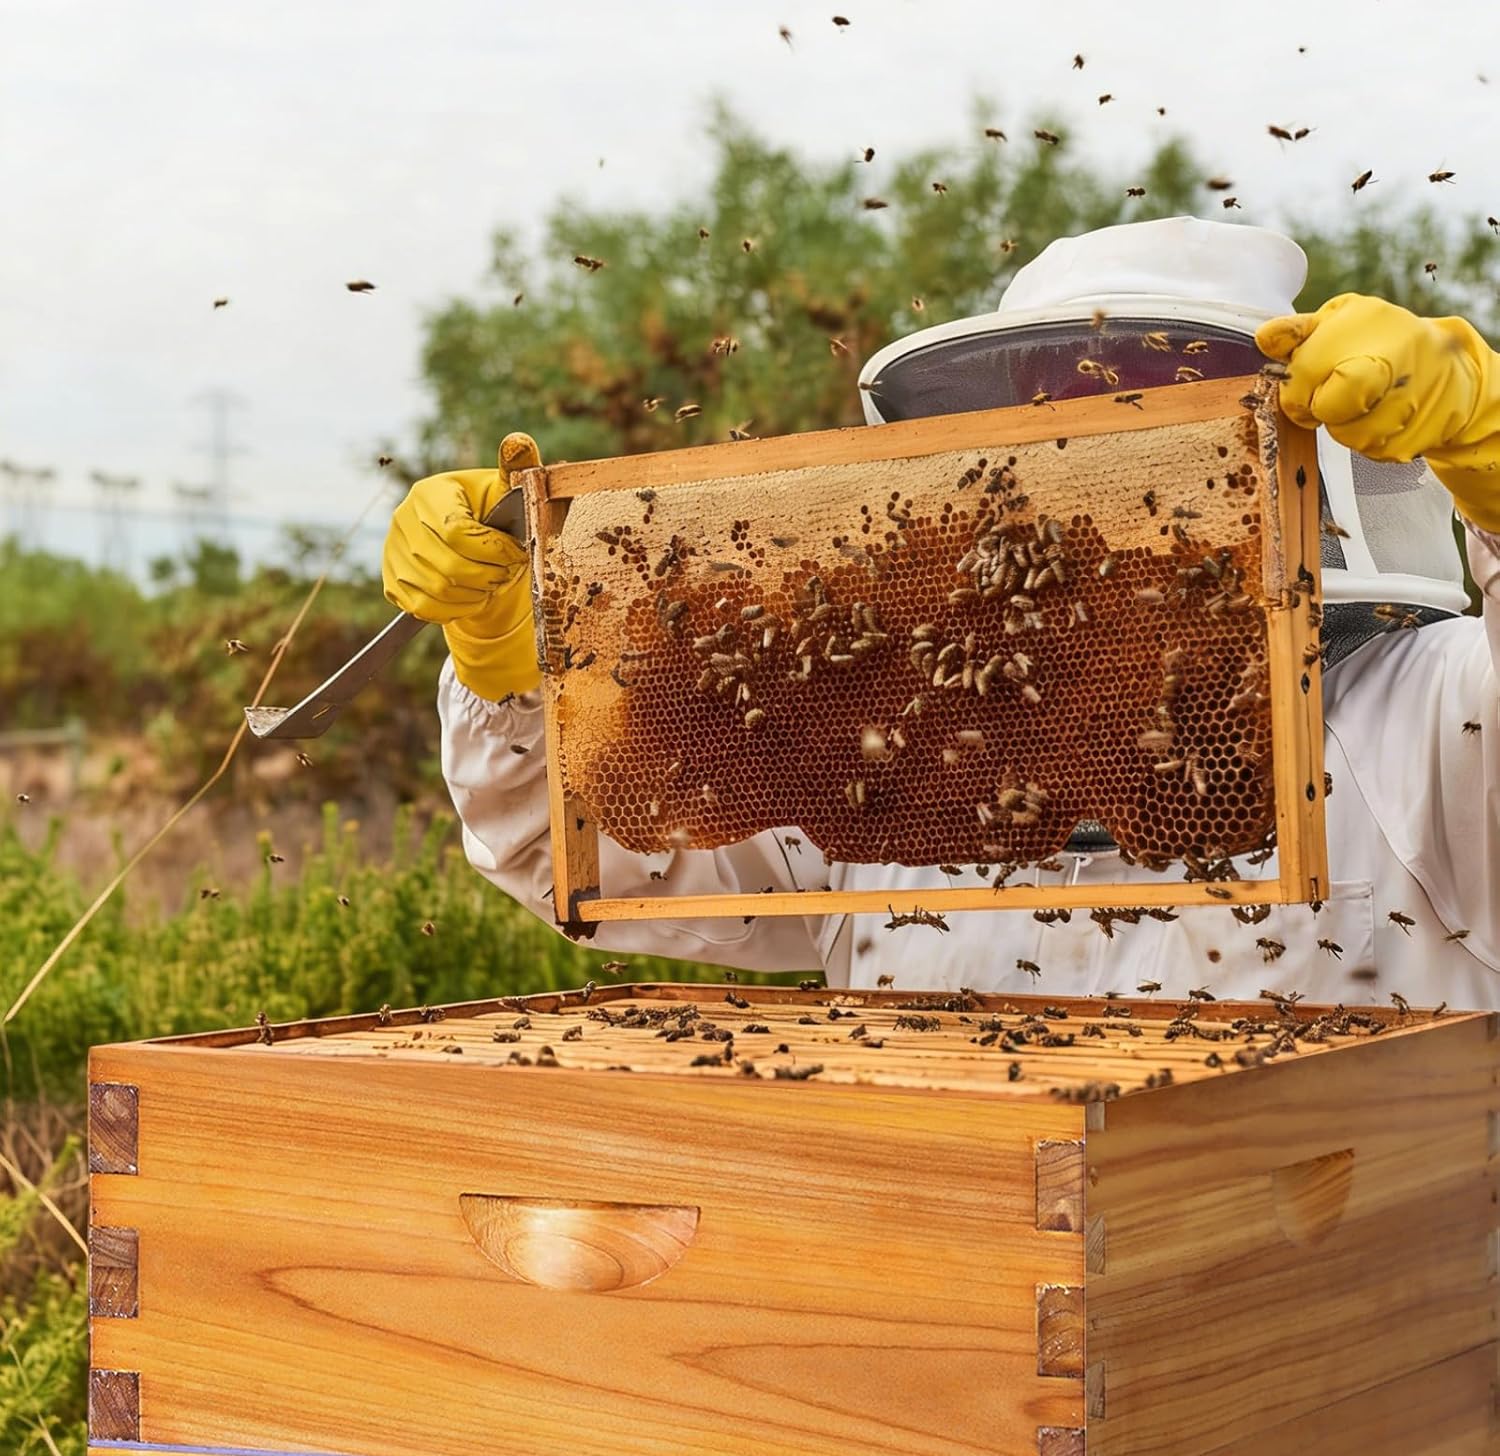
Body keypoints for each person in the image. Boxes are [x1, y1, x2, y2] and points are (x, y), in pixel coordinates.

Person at [383, 217, 1500, 1008]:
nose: (1101, 499)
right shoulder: (897, 744)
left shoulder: (1427, 711)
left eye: (1153, 444)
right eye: (1052, 451)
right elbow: (600, 863)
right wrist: (510, 669)